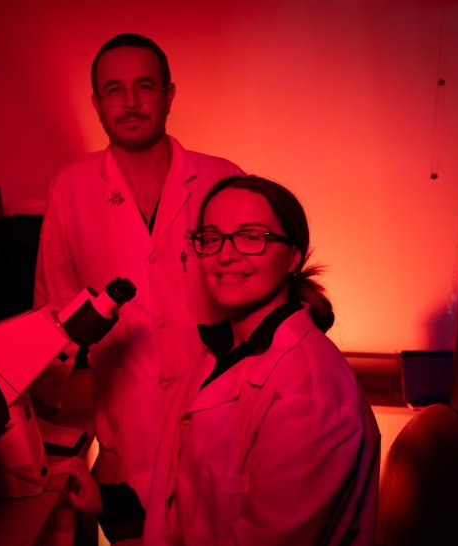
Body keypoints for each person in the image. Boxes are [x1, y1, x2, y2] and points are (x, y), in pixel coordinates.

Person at [57, 175, 380, 545]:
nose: (225, 254)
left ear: (293, 256)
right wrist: (112, 500)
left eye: (251, 236)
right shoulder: (222, 350)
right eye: (211, 238)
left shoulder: (307, 391)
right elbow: (197, 473)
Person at [33, 33, 242, 541]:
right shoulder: (72, 186)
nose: (129, 101)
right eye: (114, 89)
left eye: (144, 86)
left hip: (217, 432)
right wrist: (42, 414)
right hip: (127, 440)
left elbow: (255, 303)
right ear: (97, 104)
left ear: (169, 94)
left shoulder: (222, 180)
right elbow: (53, 309)